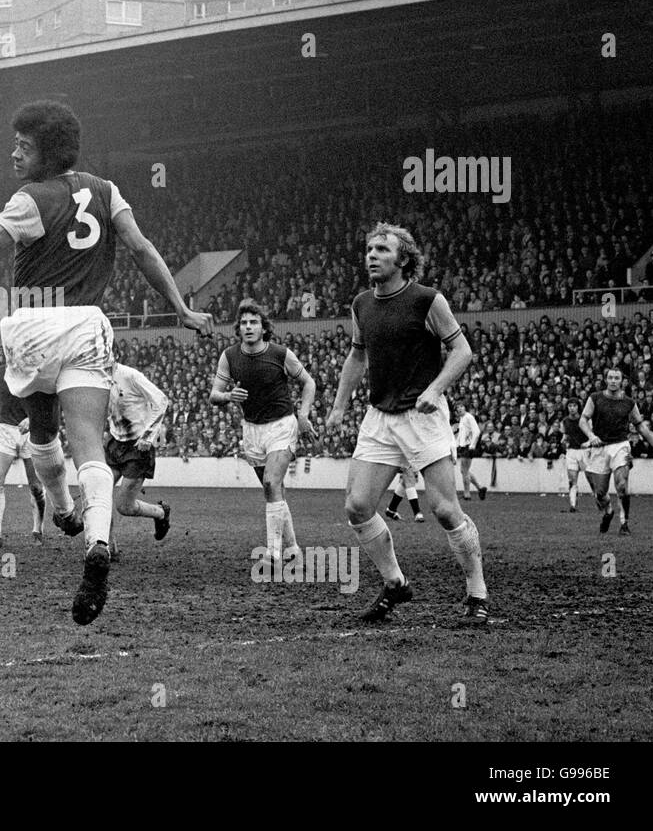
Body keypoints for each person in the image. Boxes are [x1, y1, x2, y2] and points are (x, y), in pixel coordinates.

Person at [0, 100, 211, 625]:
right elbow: (141, 249)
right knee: (89, 443)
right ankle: (96, 540)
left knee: (42, 435)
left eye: (23, 147)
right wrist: (181, 307)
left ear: (47, 153)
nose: (14, 154)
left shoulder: (29, 199)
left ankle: (66, 511)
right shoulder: (105, 189)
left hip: (32, 323)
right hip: (87, 324)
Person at [326, 222, 490, 625]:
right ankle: (395, 584)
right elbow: (357, 356)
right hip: (380, 417)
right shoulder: (361, 303)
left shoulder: (427, 300)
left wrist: (436, 389)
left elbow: (462, 350)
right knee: (358, 506)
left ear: (403, 259)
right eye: (368, 249)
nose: (371, 255)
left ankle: (477, 593)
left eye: (382, 249)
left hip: (423, 416)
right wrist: (339, 405)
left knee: (446, 511)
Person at [209, 300, 316, 566]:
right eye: (244, 323)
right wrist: (228, 395)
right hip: (252, 430)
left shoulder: (281, 354)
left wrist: (303, 416)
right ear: (238, 328)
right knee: (274, 490)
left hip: (281, 426)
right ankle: (292, 548)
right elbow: (214, 395)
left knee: (271, 483)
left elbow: (308, 382)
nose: (248, 327)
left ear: (263, 327)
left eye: (253, 322)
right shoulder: (229, 356)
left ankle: (274, 554)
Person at [0, 363, 48, 549]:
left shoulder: (36, 371)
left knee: (36, 486)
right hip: (5, 430)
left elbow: (48, 403)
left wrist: (32, 419)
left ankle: (38, 530)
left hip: (32, 431)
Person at [104, 361, 173, 562]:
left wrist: (148, 436)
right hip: (115, 443)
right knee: (100, 493)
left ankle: (160, 512)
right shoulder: (95, 376)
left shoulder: (130, 376)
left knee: (124, 506)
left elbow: (161, 400)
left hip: (138, 447)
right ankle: (108, 547)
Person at [579, 367, 653, 535]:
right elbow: (583, 420)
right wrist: (591, 435)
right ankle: (608, 511)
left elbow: (641, 427)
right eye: (611, 378)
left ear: (622, 380)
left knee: (621, 485)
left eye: (617, 378)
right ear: (606, 380)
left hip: (620, 445)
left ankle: (624, 524)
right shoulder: (595, 398)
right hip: (599, 446)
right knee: (600, 493)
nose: (614, 381)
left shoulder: (629, 402)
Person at [561, 400, 590, 514]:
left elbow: (591, 433)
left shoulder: (585, 420)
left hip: (584, 452)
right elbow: (565, 436)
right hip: (572, 452)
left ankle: (601, 502)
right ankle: (573, 505)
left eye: (574, 406)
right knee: (572, 481)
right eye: (570, 406)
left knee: (591, 479)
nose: (572, 408)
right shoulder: (565, 421)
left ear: (578, 407)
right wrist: (564, 442)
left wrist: (588, 444)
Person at [453, 402, 486, 501]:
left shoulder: (469, 417)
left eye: (461, 406)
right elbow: (461, 434)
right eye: (457, 408)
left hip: (468, 447)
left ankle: (467, 494)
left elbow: (477, 431)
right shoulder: (462, 419)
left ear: (465, 407)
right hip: (464, 446)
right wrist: (456, 445)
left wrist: (472, 445)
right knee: (464, 470)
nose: (459, 409)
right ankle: (480, 488)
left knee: (464, 471)